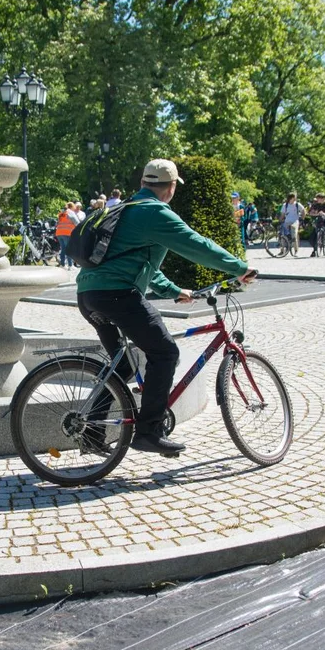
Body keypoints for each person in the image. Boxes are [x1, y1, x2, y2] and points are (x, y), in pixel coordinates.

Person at [76, 159, 256, 457]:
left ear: (144, 183)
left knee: (121, 365)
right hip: (118, 294)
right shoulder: (155, 212)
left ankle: (93, 432)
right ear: (171, 188)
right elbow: (196, 244)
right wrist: (238, 268)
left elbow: (140, 262)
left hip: (88, 293)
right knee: (165, 353)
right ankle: (149, 431)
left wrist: (173, 291)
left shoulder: (126, 208)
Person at [308, 193, 325, 258]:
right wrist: (316, 214)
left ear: (322, 199)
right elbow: (310, 212)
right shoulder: (316, 204)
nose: (317, 200)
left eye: (318, 198)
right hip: (319, 221)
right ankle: (314, 250)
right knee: (314, 235)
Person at [55, 203, 77, 269]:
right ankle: (70, 265)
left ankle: (62, 264)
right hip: (67, 233)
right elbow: (77, 222)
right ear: (72, 207)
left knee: (63, 249)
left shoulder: (61, 213)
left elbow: (57, 222)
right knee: (69, 249)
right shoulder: (70, 213)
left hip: (59, 233)